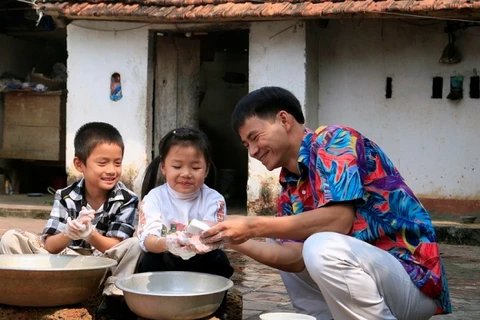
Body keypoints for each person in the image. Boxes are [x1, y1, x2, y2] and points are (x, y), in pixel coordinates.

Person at [201, 86, 451, 320]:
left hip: (413, 283)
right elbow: (294, 258)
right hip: (375, 283)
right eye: (247, 144)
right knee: (280, 234)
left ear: (284, 120)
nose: (253, 151)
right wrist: (232, 238)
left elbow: (338, 221)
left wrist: (253, 225)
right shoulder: (290, 184)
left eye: (255, 137)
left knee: (318, 243)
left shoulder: (334, 141)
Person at [0, 122, 141, 320]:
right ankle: (31, 289)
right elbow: (50, 246)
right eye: (103, 163)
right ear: (79, 164)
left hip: (102, 265)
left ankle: (112, 298)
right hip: (66, 262)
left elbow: (117, 245)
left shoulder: (128, 199)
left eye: (117, 163)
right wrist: (69, 233)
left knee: (136, 245)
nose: (112, 170)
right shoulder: (65, 195)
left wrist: (90, 234)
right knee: (11, 238)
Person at [136, 127, 234, 319]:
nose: (186, 173)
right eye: (177, 166)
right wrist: (168, 243)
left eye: (195, 168)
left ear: (206, 169)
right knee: (148, 259)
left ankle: (213, 309)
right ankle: (155, 308)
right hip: (164, 260)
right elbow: (148, 240)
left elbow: (214, 232)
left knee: (219, 259)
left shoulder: (214, 199)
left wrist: (197, 241)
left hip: (201, 261)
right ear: (164, 168)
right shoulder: (154, 198)